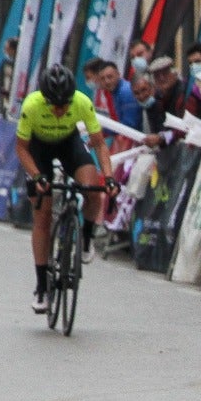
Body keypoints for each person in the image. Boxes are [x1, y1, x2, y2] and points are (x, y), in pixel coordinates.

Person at [15, 64, 119, 312]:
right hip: (38, 148)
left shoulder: (82, 102)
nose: (61, 110)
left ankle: (85, 238)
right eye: (55, 105)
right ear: (45, 99)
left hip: (68, 143)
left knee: (93, 189)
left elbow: (99, 145)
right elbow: (21, 148)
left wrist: (109, 177)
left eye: (65, 104)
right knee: (42, 214)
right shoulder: (31, 106)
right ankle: (41, 287)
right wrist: (37, 176)